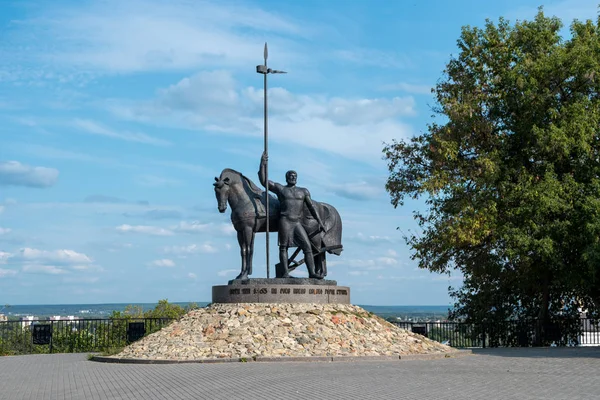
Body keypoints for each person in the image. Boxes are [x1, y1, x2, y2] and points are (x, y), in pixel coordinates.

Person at [259, 152, 326, 279]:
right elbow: (264, 181)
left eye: (294, 175)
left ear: (297, 178)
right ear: (286, 178)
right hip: (285, 221)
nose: (292, 177)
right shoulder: (281, 189)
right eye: (290, 175)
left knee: (307, 246)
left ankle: (312, 273)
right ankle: (285, 273)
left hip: (296, 223)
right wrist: (262, 164)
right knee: (283, 248)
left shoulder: (303, 191)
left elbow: (311, 207)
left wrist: (320, 222)